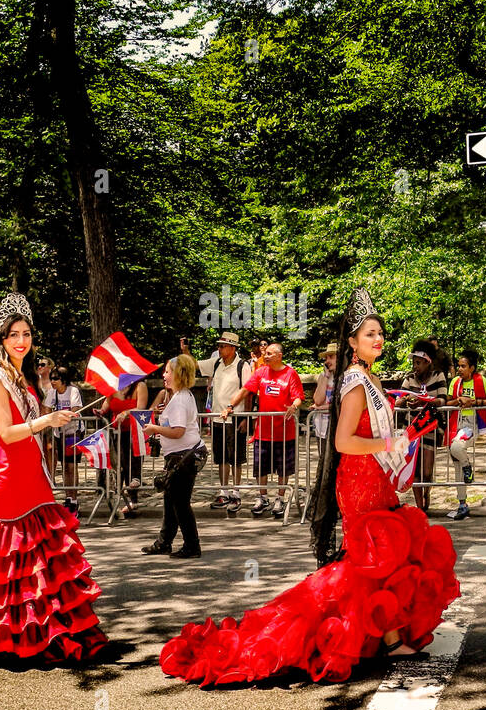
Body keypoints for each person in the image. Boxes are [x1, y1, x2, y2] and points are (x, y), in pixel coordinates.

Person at [160, 288, 461, 686]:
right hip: (358, 482)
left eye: (380, 333)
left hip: (374, 477)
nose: (377, 339)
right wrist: (389, 444)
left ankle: (390, 638)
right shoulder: (355, 381)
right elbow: (343, 442)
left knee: (380, 561)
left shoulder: (369, 377)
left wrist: (402, 437)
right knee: (375, 559)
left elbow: (376, 432)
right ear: (352, 342)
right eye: (369, 334)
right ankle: (376, 638)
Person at [0, 293, 107, 664]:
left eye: (26, 334)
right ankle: (14, 638)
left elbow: (35, 417)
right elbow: (7, 433)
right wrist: (45, 421)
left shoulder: (20, 378)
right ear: (1, 339)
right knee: (16, 557)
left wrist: (59, 413)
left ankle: (50, 632)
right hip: (7, 477)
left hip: (33, 474)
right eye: (13, 335)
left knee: (45, 556)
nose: (21, 341)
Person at [222, 342, 304, 519]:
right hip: (263, 431)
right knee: (261, 468)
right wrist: (230, 406)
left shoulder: (290, 374)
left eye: (269, 353)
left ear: (279, 356)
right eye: (265, 353)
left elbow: (298, 397)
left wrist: (293, 406)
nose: (265, 356)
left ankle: (280, 499)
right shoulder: (260, 372)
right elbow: (245, 390)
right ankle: (263, 497)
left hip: (284, 432)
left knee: (283, 469)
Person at [141, 354, 206, 558]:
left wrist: (154, 428)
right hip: (183, 455)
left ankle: (192, 546)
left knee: (180, 503)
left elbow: (178, 431)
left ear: (178, 374)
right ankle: (164, 542)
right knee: (171, 501)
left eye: (167, 371)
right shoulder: (182, 396)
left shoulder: (179, 400)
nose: (164, 375)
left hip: (183, 456)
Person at [189, 332, 252, 514]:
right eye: (219, 345)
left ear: (233, 348)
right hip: (218, 417)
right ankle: (224, 490)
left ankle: (236, 492)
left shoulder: (242, 366)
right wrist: (185, 350)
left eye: (223, 346)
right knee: (222, 457)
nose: (219, 348)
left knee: (236, 458)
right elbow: (194, 364)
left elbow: (248, 391)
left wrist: (246, 418)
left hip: (235, 417)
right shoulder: (216, 363)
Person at [396, 340, 448, 514]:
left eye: (418, 362)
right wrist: (404, 400)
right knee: (414, 468)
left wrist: (426, 401)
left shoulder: (438, 376)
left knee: (426, 470)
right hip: (412, 429)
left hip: (431, 426)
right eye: (414, 362)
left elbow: (443, 399)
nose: (415, 366)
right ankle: (420, 507)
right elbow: (399, 399)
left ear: (427, 362)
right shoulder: (409, 378)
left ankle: (427, 493)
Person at [446, 349, 486, 521]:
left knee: (456, 447)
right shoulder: (455, 382)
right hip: (455, 424)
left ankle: (468, 466)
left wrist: (474, 402)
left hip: (471, 425)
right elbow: (448, 401)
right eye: (458, 366)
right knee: (456, 465)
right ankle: (462, 504)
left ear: (472, 368)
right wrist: (458, 400)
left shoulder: (481, 381)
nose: (459, 369)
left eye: (463, 366)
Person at [98, 379, 148, 519]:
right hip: (118, 431)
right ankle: (119, 498)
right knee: (119, 465)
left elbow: (141, 408)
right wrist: (101, 411)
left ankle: (133, 499)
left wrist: (126, 412)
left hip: (135, 431)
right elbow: (107, 404)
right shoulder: (113, 388)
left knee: (131, 463)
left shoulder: (140, 386)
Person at [46, 366, 84, 516]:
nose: (53, 381)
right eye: (51, 378)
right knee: (63, 466)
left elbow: (75, 409)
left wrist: (61, 415)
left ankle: (74, 500)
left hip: (73, 432)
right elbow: (46, 409)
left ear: (63, 379)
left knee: (71, 466)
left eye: (56, 378)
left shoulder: (72, 391)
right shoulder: (52, 392)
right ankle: (68, 497)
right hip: (58, 433)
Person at [310, 342, 339, 479]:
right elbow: (318, 399)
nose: (327, 361)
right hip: (322, 427)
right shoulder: (323, 376)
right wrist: (326, 377)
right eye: (326, 357)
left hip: (338, 428)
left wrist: (321, 408)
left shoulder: (347, 376)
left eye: (331, 357)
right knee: (323, 462)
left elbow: (341, 403)